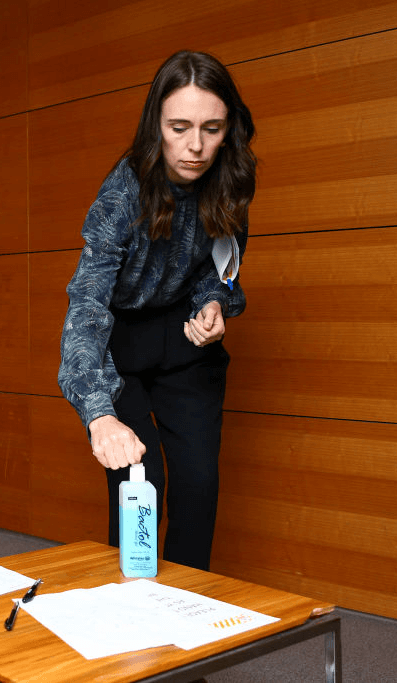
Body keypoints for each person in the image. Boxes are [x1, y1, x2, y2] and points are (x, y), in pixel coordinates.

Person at [57, 51, 256, 572]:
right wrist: (98, 414)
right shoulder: (122, 194)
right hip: (120, 340)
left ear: (227, 129)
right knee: (141, 483)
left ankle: (188, 620)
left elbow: (223, 261)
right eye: (180, 127)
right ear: (156, 126)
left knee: (197, 484)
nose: (196, 146)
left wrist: (213, 302)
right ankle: (127, 618)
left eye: (212, 129)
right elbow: (86, 304)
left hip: (186, 341)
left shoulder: (231, 177)